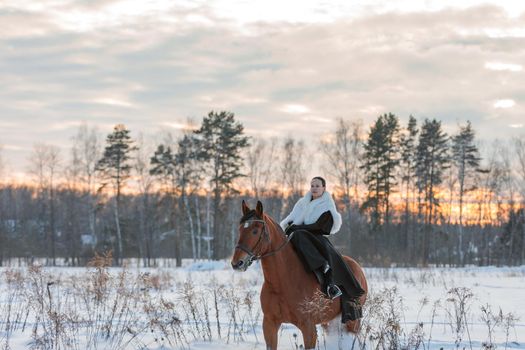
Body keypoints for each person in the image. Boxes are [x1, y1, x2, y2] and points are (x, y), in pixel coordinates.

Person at [280, 176, 365, 322]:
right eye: (312, 185)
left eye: (317, 186)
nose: (314, 188)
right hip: (301, 238)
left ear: (324, 188)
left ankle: (323, 266)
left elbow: (320, 227)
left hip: (317, 239)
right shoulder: (302, 202)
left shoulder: (327, 205)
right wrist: (286, 227)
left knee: (298, 234)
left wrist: (298, 227)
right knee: (291, 241)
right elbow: (291, 219)